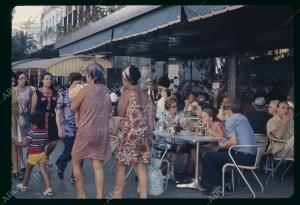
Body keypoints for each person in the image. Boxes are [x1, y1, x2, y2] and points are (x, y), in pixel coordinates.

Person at [71, 62, 112, 198]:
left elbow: (72, 108)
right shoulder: (106, 90)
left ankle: (81, 195)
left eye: (87, 75)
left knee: (76, 161)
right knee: (98, 165)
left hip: (86, 131)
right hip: (102, 132)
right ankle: (99, 196)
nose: (86, 78)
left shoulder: (85, 90)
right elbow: (110, 110)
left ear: (91, 76)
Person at [201, 102, 256, 196]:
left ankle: (216, 187)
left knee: (208, 156)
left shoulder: (231, 120)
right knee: (218, 153)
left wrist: (224, 145)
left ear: (228, 111)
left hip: (242, 156)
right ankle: (225, 183)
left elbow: (233, 142)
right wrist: (225, 145)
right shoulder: (244, 118)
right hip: (252, 156)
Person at [114, 65, 153, 198]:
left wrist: (120, 96)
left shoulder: (128, 92)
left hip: (130, 133)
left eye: (123, 78)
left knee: (121, 165)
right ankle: (143, 196)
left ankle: (118, 195)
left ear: (127, 78)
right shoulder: (146, 94)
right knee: (140, 166)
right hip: (144, 133)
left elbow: (120, 111)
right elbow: (149, 118)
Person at [13, 112, 53, 196]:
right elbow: (46, 142)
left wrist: (15, 142)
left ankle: (24, 185)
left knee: (28, 171)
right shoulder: (45, 132)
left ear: (32, 123)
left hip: (33, 155)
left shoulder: (31, 133)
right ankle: (49, 188)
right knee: (44, 171)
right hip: (42, 154)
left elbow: (24, 145)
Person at [55, 72, 83, 181]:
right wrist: (59, 128)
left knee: (80, 153)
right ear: (70, 82)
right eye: (76, 83)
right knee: (69, 151)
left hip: (81, 127)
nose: (78, 86)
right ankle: (61, 164)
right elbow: (58, 113)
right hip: (68, 127)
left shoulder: (82, 95)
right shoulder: (63, 95)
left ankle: (74, 176)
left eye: (80, 84)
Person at [31, 72, 59, 167]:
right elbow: (32, 110)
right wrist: (33, 124)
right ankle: (41, 163)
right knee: (41, 142)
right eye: (46, 79)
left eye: (50, 79)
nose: (49, 81)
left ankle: (46, 157)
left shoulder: (55, 93)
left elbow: (58, 108)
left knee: (54, 142)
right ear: (42, 80)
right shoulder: (37, 93)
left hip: (52, 120)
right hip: (40, 121)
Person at [190, 108, 225, 176]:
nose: (202, 118)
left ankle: (201, 174)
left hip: (219, 148)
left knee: (198, 152)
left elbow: (222, 136)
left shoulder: (216, 124)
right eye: (202, 117)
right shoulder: (208, 125)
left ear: (211, 118)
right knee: (193, 150)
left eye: (204, 117)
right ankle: (199, 173)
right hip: (212, 146)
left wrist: (209, 131)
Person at [14, 71, 33, 176]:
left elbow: (31, 103)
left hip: (26, 117)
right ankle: (22, 164)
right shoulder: (13, 90)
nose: (23, 80)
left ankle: (30, 161)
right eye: (21, 78)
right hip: (16, 118)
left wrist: (27, 110)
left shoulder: (29, 90)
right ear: (17, 80)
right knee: (18, 141)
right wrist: (17, 111)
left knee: (27, 140)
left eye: (24, 78)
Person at [11, 72, 22, 180]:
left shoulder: (15, 91)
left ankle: (15, 170)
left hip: (14, 122)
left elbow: (17, 110)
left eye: (13, 81)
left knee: (14, 145)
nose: (13, 82)